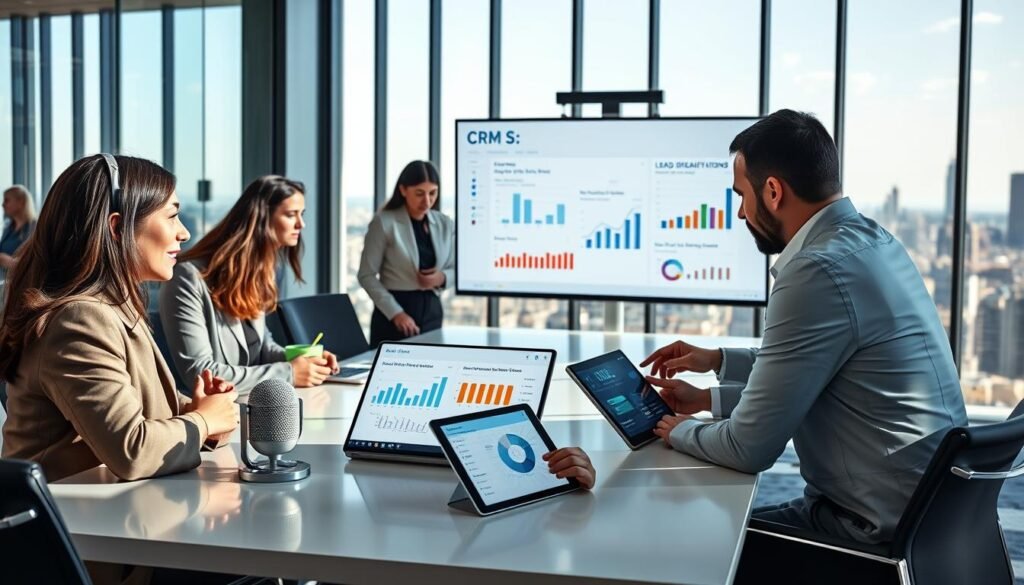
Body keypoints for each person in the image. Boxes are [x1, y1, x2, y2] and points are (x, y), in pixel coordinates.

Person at [641, 109, 967, 545]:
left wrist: (676, 431)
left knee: (700, 546)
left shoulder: (816, 269)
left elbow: (747, 449)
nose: (740, 213)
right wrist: (713, 374)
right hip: (931, 517)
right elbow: (810, 368)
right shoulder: (875, 243)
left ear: (773, 191)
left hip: (869, 531)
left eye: (742, 195)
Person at [0, 154, 240, 484]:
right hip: (66, 525)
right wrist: (204, 421)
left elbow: (140, 412)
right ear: (117, 227)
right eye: (171, 217)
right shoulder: (77, 320)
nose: (183, 233)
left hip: (111, 515)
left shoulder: (113, 308)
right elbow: (133, 451)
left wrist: (200, 411)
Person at [160, 175, 340, 394]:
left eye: (301, 214)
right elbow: (200, 373)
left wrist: (305, 363)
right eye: (291, 215)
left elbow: (262, 347)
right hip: (215, 412)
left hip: (253, 403)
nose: (301, 224)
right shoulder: (188, 277)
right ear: (262, 216)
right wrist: (289, 372)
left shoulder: (260, 271)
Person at [359, 160, 455, 347]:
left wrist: (441, 278)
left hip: (433, 311)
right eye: (419, 193)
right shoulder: (384, 222)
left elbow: (457, 269)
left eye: (432, 193)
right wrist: (396, 313)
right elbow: (366, 275)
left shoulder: (445, 223)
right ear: (403, 190)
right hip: (394, 312)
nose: (427, 201)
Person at [0, 185, 37, 275]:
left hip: (23, 283)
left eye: (7, 200)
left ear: (20, 202)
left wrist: (7, 261)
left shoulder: (35, 228)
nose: (3, 204)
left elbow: (35, 264)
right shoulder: (8, 227)